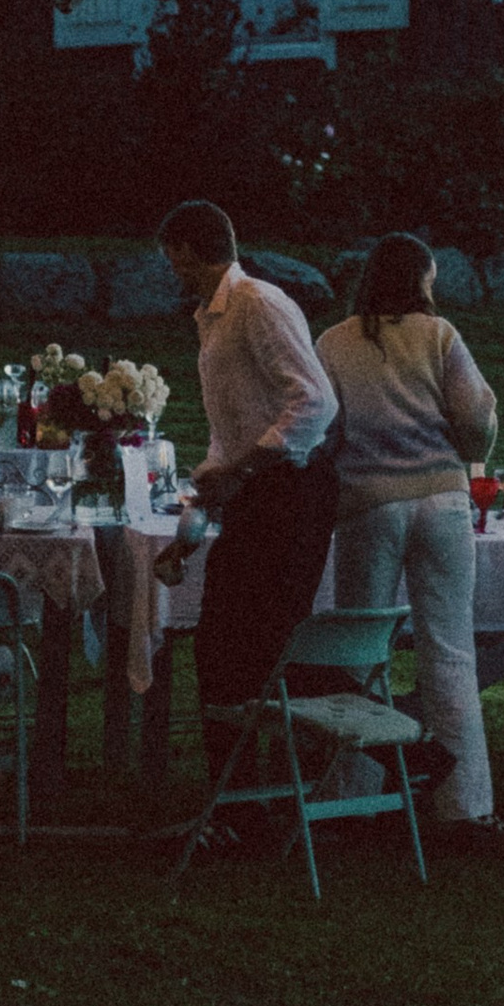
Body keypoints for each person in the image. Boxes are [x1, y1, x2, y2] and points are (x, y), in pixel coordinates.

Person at [314, 233, 503, 841]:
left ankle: (355, 796)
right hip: (443, 502)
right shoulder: (440, 334)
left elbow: (326, 428)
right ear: (423, 279)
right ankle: (465, 803)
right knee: (449, 651)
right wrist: (471, 447)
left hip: (369, 504)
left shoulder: (335, 342)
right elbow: (474, 417)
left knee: (362, 651)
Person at [158, 199, 341, 731]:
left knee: (262, 643)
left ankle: (391, 742)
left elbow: (315, 402)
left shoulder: (258, 303)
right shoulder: (211, 316)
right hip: (255, 492)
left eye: (173, 260)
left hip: (292, 491)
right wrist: (213, 483)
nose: (173, 272)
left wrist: (240, 468)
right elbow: (234, 418)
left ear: (189, 251)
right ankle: (239, 794)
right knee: (228, 645)